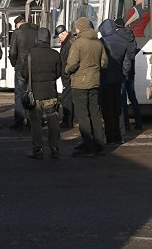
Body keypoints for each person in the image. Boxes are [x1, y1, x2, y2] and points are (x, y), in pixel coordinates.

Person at [66, 17, 108, 157]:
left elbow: (72, 65)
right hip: (95, 81)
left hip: (80, 83)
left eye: (77, 27)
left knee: (83, 115)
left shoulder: (78, 44)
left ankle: (88, 145)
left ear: (81, 28)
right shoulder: (98, 43)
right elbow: (104, 63)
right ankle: (99, 144)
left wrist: (67, 70)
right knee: (95, 113)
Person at [21, 28, 63, 159]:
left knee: (36, 122)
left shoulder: (30, 54)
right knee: (53, 121)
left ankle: (37, 149)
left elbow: (24, 74)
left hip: (35, 93)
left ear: (37, 39)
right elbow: (58, 73)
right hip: (51, 92)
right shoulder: (55, 54)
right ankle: (54, 148)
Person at [99, 19, 130, 145]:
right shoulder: (123, 41)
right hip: (118, 78)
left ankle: (110, 135)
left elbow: (101, 61)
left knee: (107, 108)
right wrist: (123, 75)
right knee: (118, 107)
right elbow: (127, 62)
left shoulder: (102, 42)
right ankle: (120, 135)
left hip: (105, 79)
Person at [8, 14, 38, 130]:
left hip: (20, 66)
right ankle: (32, 120)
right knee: (32, 93)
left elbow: (12, 52)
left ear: (19, 23)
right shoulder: (36, 31)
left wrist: (14, 63)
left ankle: (19, 121)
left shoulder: (17, 33)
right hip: (34, 66)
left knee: (19, 94)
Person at [115, 18, 143, 131]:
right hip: (131, 69)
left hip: (122, 70)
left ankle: (125, 124)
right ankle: (139, 122)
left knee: (122, 99)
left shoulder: (118, 37)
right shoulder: (131, 36)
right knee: (132, 97)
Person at [55, 24, 75, 128]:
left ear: (62, 34)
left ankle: (67, 120)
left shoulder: (69, 43)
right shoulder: (69, 41)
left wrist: (66, 72)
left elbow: (69, 61)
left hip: (68, 76)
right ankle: (71, 119)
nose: (58, 39)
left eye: (58, 36)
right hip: (68, 75)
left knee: (66, 98)